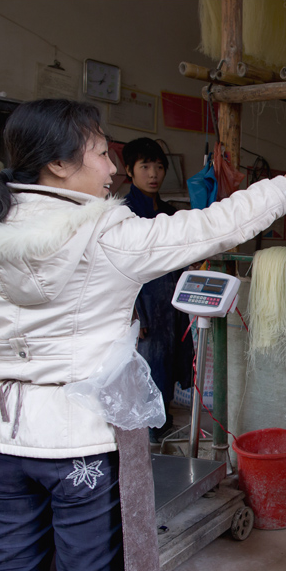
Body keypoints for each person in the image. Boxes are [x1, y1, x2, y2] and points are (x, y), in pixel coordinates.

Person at [0, 98, 286, 571]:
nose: (113, 169)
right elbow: (210, 227)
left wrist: (20, 347)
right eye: (102, 153)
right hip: (80, 438)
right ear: (58, 164)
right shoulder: (107, 234)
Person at [120, 137, 193, 443]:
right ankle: (146, 432)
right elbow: (119, 269)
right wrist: (133, 313)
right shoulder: (123, 214)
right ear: (129, 170)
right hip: (144, 305)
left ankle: (161, 424)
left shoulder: (169, 213)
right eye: (145, 166)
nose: (153, 174)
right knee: (147, 369)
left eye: (159, 167)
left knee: (171, 362)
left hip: (171, 302)